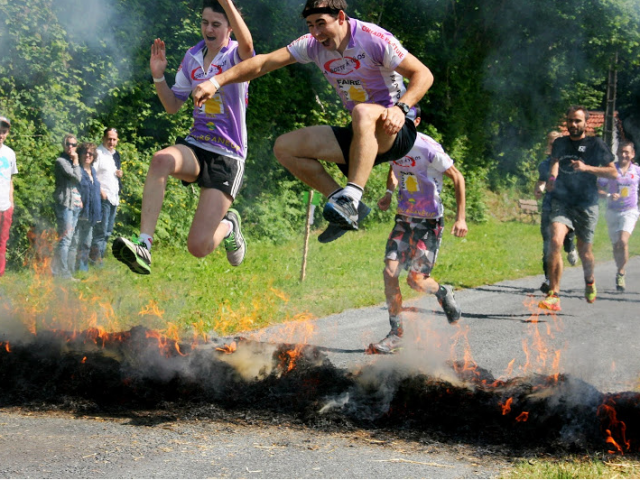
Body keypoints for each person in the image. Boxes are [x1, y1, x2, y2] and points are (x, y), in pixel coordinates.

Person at [192, 0, 434, 241]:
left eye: (321, 24)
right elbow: (263, 63)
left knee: (362, 112)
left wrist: (402, 108)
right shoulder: (311, 45)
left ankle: (351, 197)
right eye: (310, 25)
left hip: (395, 130)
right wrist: (216, 81)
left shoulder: (373, 38)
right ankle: (346, 205)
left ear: (340, 17)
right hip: (361, 135)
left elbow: (423, 74)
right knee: (285, 148)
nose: (316, 33)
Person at [112, 0, 254, 275]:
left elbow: (249, 48)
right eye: (204, 22)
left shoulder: (236, 54)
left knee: (198, 247)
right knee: (161, 159)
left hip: (227, 155)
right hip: (197, 145)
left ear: (230, 28)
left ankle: (229, 226)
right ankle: (144, 245)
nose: (208, 29)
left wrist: (226, 1)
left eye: (216, 24)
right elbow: (172, 106)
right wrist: (158, 77)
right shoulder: (192, 57)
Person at [367, 108, 467, 354]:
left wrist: (460, 218)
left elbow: (458, 178)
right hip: (404, 219)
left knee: (415, 280)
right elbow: (393, 168)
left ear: (417, 121)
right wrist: (389, 193)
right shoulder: (390, 142)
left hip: (428, 223)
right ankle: (396, 333)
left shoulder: (427, 147)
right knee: (390, 272)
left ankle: (443, 292)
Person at [538, 106, 617, 311]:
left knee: (585, 252)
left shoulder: (596, 144)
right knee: (555, 241)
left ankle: (589, 281)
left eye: (578, 121)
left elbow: (613, 173)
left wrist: (586, 168)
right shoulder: (560, 143)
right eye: (571, 121)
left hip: (586, 204)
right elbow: (555, 163)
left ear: (585, 123)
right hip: (562, 201)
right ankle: (554, 294)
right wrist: (552, 179)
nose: (574, 125)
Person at [534, 131, 578, 294]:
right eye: (552, 144)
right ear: (548, 146)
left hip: (567, 207)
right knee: (548, 245)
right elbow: (541, 182)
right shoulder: (544, 165)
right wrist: (538, 189)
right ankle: (548, 279)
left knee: (563, 238)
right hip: (548, 206)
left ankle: (571, 245)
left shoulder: (570, 162)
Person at [597, 140, 640, 292]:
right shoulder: (610, 170)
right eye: (621, 152)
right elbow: (598, 189)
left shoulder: (637, 171)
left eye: (627, 152)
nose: (623, 155)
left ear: (632, 154)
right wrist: (608, 194)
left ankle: (622, 272)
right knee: (616, 246)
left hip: (630, 211)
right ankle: (619, 269)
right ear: (617, 153)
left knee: (623, 240)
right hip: (612, 211)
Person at [90, 128, 123, 267]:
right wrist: (100, 190)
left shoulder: (115, 155)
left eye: (114, 139)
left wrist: (119, 174)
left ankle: (99, 258)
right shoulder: (98, 153)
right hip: (103, 197)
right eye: (109, 139)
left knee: (108, 232)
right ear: (103, 138)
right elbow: (91, 173)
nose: (111, 142)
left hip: (114, 197)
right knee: (100, 231)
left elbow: (110, 173)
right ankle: (95, 260)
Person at [52, 134, 83, 279]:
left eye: (74, 144)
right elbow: (76, 177)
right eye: (68, 144)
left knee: (70, 239)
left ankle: (65, 271)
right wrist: (76, 161)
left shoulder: (73, 163)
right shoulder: (61, 161)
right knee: (65, 239)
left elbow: (80, 181)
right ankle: (62, 273)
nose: (71, 147)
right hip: (65, 204)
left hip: (76, 205)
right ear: (64, 145)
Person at [69, 143, 102, 273]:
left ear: (94, 156)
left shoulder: (93, 171)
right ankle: (70, 267)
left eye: (91, 153)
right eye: (85, 153)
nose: (88, 155)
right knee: (74, 241)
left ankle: (82, 266)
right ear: (80, 154)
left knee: (87, 242)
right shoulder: (77, 170)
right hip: (79, 212)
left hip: (92, 213)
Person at [0, 116, 17, 277]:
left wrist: (11, 202)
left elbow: (10, 179)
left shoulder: (9, 153)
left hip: (5, 206)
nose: (1, 134)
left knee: (2, 241)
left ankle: (0, 273)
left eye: (4, 132)